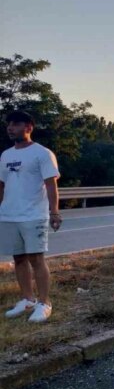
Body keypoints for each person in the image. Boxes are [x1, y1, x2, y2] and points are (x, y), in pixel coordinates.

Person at [1, 111, 61, 323]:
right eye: (9, 124)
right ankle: (28, 299)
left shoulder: (42, 153)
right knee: (18, 259)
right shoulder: (6, 155)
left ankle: (45, 303)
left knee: (36, 258)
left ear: (28, 127)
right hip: (9, 214)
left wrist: (54, 211)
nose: (10, 128)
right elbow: (2, 185)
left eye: (15, 124)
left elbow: (51, 184)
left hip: (34, 215)